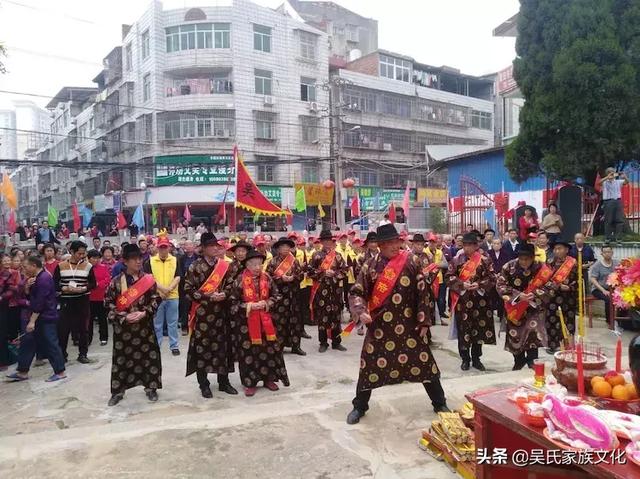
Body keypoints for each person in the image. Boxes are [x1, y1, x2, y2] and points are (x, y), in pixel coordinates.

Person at [346, 224, 450, 424]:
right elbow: (357, 292)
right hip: (380, 329)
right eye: (390, 243)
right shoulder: (370, 265)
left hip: (409, 326)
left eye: (397, 242)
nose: (396, 246)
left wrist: (424, 322)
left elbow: (423, 293)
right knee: (368, 367)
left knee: (425, 365)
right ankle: (359, 406)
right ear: (381, 245)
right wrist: (361, 311)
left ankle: (439, 403)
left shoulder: (411, 261)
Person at [104, 244, 162, 406]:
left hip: (145, 329)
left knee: (149, 358)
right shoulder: (116, 282)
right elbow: (108, 303)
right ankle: (117, 392)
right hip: (124, 331)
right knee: (121, 360)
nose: (138, 262)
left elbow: (156, 299)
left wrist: (144, 313)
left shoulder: (148, 280)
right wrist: (124, 316)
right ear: (125, 261)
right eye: (134, 259)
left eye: (140, 259)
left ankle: (151, 388)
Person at [229, 249, 289, 396]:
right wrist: (248, 306)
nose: (257, 267)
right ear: (247, 266)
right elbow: (232, 302)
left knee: (268, 350)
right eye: (254, 264)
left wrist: (267, 302)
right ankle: (250, 382)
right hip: (246, 323)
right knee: (249, 352)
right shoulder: (239, 280)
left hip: (266, 321)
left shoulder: (267, 277)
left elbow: (277, 295)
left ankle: (269, 379)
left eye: (259, 264)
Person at [184, 232, 238, 398]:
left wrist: (225, 294)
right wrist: (208, 296)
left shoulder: (224, 266)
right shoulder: (195, 267)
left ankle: (224, 382)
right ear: (203, 249)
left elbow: (231, 284)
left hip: (222, 314)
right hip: (203, 316)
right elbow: (188, 290)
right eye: (211, 246)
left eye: (216, 245)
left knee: (223, 348)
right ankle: (204, 384)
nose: (215, 248)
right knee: (203, 349)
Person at [6, 256, 66, 382]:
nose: (24, 269)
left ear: (34, 265)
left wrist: (32, 321)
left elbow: (40, 303)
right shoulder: (35, 278)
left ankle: (60, 372)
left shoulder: (44, 278)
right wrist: (27, 288)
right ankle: (22, 371)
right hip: (37, 315)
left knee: (51, 344)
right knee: (28, 343)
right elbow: (32, 297)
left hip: (45, 317)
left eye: (26, 266)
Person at [446, 233, 496, 371]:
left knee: (478, 330)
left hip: (480, 302)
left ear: (476, 245)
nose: (467, 248)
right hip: (463, 302)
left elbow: (492, 278)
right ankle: (465, 359)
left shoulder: (485, 260)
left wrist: (479, 284)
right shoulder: (456, 260)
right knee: (464, 330)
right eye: (465, 245)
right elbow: (449, 277)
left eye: (470, 245)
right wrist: (462, 284)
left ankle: (476, 358)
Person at [496, 243, 551, 370]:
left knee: (533, 334)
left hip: (534, 307)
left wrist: (535, 294)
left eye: (527, 259)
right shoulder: (508, 266)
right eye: (521, 258)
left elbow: (550, 285)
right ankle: (518, 361)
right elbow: (500, 285)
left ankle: (532, 361)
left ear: (533, 258)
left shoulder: (541, 267)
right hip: (515, 308)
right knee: (516, 335)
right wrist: (518, 296)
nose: (524, 262)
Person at [53, 240, 96, 364]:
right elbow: (54, 283)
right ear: (71, 252)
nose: (82, 256)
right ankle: (63, 354)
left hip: (82, 299)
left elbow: (93, 283)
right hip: (66, 300)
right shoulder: (61, 266)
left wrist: (84, 288)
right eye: (79, 254)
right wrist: (63, 288)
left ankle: (83, 354)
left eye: (84, 254)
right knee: (63, 329)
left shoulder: (88, 266)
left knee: (83, 328)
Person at [308, 230, 348, 353]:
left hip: (335, 290)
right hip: (321, 290)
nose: (327, 243)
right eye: (324, 240)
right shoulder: (316, 255)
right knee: (322, 316)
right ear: (321, 242)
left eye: (329, 240)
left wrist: (335, 274)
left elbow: (345, 270)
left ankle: (336, 342)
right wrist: (324, 273)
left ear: (332, 241)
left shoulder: (338, 255)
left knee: (336, 316)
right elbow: (310, 272)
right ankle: (323, 342)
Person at [266, 237, 306, 356]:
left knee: (295, 321)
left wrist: (293, 278)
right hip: (279, 297)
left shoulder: (294, 261)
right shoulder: (272, 262)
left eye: (287, 247)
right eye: (282, 247)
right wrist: (280, 278)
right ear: (278, 249)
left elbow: (301, 276)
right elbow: (267, 279)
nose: (285, 249)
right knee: (279, 321)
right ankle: (280, 346)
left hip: (293, 296)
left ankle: (296, 346)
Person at [144, 236, 181, 356]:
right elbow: (149, 279)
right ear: (157, 248)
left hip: (173, 295)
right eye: (161, 247)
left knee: (173, 322)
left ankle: (174, 345)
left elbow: (178, 276)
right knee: (157, 323)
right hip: (156, 296)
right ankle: (157, 345)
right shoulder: (150, 261)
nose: (163, 250)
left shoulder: (176, 260)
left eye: (165, 247)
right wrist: (163, 290)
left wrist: (169, 289)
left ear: (169, 247)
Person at [543, 241, 577, 354]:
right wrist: (558, 286)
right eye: (555, 249)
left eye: (560, 248)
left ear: (566, 250)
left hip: (568, 297)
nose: (557, 251)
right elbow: (544, 279)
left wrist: (570, 287)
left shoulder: (573, 263)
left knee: (569, 320)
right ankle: (553, 345)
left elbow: (579, 279)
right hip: (552, 296)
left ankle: (568, 345)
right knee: (551, 320)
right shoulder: (549, 262)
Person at [589, 245, 618, 327]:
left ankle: (620, 321)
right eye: (605, 252)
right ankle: (610, 322)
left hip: (613, 288)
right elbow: (593, 279)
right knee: (609, 299)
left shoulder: (616, 263)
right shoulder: (597, 265)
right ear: (602, 254)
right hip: (598, 289)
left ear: (612, 253)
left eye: (609, 252)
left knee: (622, 298)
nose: (607, 254)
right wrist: (603, 290)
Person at [599, 168, 629, 242]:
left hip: (618, 201)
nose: (612, 174)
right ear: (607, 173)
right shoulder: (605, 182)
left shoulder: (618, 182)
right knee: (608, 220)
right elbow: (599, 183)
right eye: (610, 173)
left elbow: (626, 182)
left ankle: (618, 238)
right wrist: (607, 177)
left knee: (620, 220)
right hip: (608, 202)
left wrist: (625, 176)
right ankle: (608, 238)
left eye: (613, 173)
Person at [88, 250, 110, 346]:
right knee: (89, 320)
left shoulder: (103, 267)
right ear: (89, 259)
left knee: (102, 319)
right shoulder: (86, 268)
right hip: (89, 297)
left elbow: (107, 280)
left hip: (101, 297)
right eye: (93, 258)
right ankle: (88, 338)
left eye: (98, 258)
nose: (96, 260)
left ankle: (104, 338)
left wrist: (98, 284)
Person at [0, 254, 18, 370]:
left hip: (2, 306)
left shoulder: (6, 274)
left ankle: (3, 361)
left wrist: (1, 297)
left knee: (1, 334)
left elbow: (12, 290)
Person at [425, 234, 448, 320]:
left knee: (441, 299)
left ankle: (441, 314)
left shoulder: (440, 252)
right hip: (429, 279)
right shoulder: (424, 252)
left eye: (433, 242)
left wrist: (436, 265)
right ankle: (431, 315)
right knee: (430, 298)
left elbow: (446, 264)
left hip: (439, 278)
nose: (432, 244)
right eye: (430, 242)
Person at [178, 240, 198, 336]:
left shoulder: (198, 258)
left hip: (197, 287)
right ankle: (184, 327)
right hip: (184, 287)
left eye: (191, 244)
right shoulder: (180, 259)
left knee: (196, 307)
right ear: (184, 247)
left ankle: (195, 326)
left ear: (194, 246)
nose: (189, 246)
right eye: (187, 245)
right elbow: (179, 273)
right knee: (184, 308)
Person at [487, 238, 509, 324]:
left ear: (501, 245)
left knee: (501, 298)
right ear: (492, 244)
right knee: (491, 297)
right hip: (491, 278)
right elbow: (486, 265)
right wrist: (493, 274)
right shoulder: (488, 253)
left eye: (498, 243)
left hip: (502, 278)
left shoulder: (505, 254)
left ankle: (501, 315)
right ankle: (490, 314)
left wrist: (501, 274)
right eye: (495, 243)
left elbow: (507, 264)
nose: (496, 245)